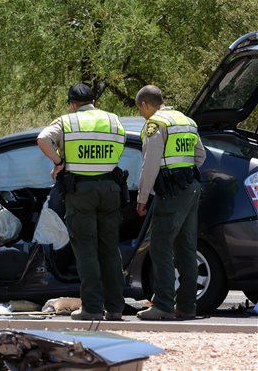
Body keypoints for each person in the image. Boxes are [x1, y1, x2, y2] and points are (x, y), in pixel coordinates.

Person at [37, 83, 126, 321]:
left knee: (86, 249)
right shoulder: (113, 120)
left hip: (81, 191)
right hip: (110, 189)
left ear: (72, 103)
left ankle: (92, 308)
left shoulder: (67, 121)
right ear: (94, 101)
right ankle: (116, 307)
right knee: (109, 249)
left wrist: (58, 162)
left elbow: (43, 139)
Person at [134, 85, 206, 320]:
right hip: (191, 188)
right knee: (186, 248)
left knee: (160, 247)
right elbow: (200, 156)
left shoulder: (156, 124)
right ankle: (186, 307)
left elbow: (150, 165)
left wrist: (142, 198)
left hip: (172, 192)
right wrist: (183, 172)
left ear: (145, 104)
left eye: (140, 110)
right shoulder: (186, 121)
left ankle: (163, 305)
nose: (142, 115)